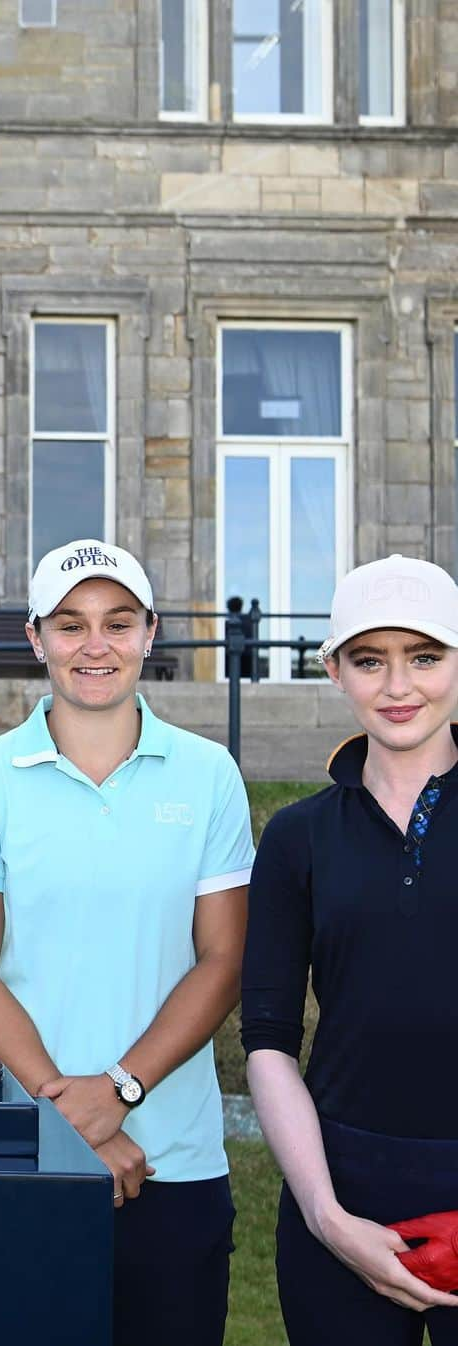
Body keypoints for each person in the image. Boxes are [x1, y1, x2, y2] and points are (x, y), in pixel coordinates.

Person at [0, 538, 255, 1346]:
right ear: (38, 639)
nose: (95, 646)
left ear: (150, 632)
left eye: (118, 622)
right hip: (23, 1153)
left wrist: (115, 1092)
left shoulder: (208, 773)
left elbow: (223, 961)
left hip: (173, 1162)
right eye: (71, 625)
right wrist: (60, 1108)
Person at [242, 553, 458, 1344]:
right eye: (371, 661)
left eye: (425, 657)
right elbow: (267, 1042)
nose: (399, 686)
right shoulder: (298, 836)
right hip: (344, 1188)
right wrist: (328, 1218)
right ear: (334, 670)